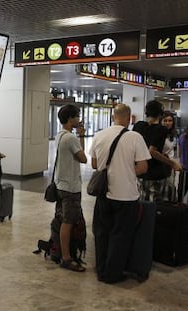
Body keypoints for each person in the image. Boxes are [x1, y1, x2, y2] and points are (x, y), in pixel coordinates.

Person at [89, 104, 151, 284]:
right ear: (129, 117)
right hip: (126, 195)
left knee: (102, 233)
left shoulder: (99, 135)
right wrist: (126, 170)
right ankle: (113, 274)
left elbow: (94, 165)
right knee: (120, 235)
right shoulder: (134, 137)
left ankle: (101, 270)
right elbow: (143, 167)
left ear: (112, 116)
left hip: (103, 193)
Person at [53, 104, 87, 272]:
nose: (78, 119)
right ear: (70, 118)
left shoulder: (60, 135)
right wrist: (82, 136)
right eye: (77, 116)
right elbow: (83, 158)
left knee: (63, 220)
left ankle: (61, 251)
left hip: (60, 184)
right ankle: (66, 258)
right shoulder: (71, 138)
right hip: (70, 187)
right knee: (68, 222)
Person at [133, 100, 182, 201]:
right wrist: (172, 163)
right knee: (153, 203)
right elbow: (152, 151)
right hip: (155, 173)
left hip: (139, 170)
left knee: (140, 201)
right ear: (160, 114)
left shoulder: (138, 125)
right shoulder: (161, 129)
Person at [178, 124, 188, 202]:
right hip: (185, 168)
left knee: (181, 192)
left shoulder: (182, 137)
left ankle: (179, 209)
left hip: (183, 168)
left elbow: (179, 153)